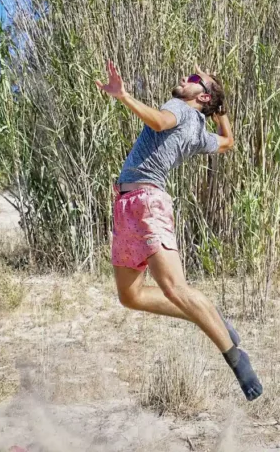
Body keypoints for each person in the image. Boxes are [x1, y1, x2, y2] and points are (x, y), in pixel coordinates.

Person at [95, 60, 263, 401]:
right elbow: (229, 142)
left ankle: (235, 358)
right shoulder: (199, 130)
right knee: (131, 297)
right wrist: (221, 110)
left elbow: (158, 122)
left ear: (200, 96)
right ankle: (209, 318)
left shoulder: (181, 110)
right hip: (128, 204)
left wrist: (124, 95)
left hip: (145, 201)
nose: (184, 80)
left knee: (174, 287)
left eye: (193, 79)